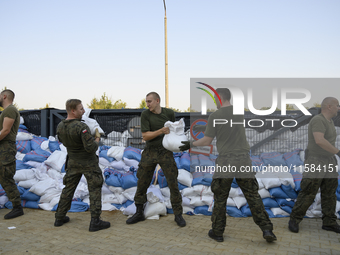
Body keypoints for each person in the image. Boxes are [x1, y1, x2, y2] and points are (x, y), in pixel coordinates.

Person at [180, 88, 276, 242]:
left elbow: (206, 141)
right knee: (252, 195)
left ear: (219, 98)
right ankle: (267, 229)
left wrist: (190, 145)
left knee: (220, 197)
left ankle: (217, 232)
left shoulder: (215, 116)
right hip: (244, 160)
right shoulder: (239, 112)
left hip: (226, 160)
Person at [126, 92, 186, 227]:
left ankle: (178, 215)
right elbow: (145, 136)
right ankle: (139, 212)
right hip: (150, 152)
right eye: (146, 102)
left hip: (166, 152)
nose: (147, 104)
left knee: (173, 183)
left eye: (149, 101)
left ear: (157, 101)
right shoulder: (145, 115)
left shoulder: (169, 113)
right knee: (142, 182)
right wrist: (161, 131)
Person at [54, 99, 110, 232]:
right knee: (95, 188)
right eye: (81, 109)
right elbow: (90, 148)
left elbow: (62, 141)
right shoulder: (81, 127)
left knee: (68, 189)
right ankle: (95, 221)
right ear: (73, 110)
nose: (84, 111)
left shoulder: (61, 126)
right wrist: (97, 138)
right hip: (88, 162)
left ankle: (59, 217)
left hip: (72, 161)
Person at [289, 97, 340, 233]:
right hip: (316, 160)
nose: (338, 108)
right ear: (329, 106)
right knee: (308, 191)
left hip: (329, 160)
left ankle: (329, 221)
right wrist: (338, 152)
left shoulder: (329, 122)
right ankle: (294, 219)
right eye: (337, 105)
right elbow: (319, 140)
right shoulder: (318, 120)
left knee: (330, 193)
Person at [0, 89, 24, 219]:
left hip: (5, 149)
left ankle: (17, 207)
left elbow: (5, 131)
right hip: (3, 148)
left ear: (4, 96)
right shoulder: (7, 111)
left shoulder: (10, 110)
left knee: (6, 177)